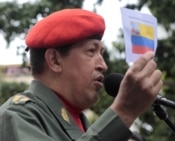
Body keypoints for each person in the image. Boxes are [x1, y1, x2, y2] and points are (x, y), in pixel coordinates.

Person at [0, 8, 162, 141]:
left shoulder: (83, 124)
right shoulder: (16, 116)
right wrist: (124, 112)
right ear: (54, 60)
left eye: (102, 53)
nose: (103, 65)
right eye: (91, 51)